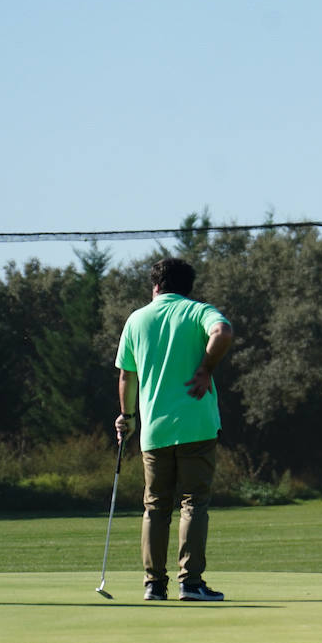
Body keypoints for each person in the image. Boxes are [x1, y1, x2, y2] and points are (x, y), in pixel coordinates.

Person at [114, 257, 234, 602]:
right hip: (197, 425)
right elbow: (222, 332)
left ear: (155, 286)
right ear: (188, 287)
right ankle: (191, 583)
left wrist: (128, 416)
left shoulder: (137, 319)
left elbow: (126, 375)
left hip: (154, 430)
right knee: (193, 503)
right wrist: (206, 368)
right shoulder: (199, 311)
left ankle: (154, 584)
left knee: (155, 507)